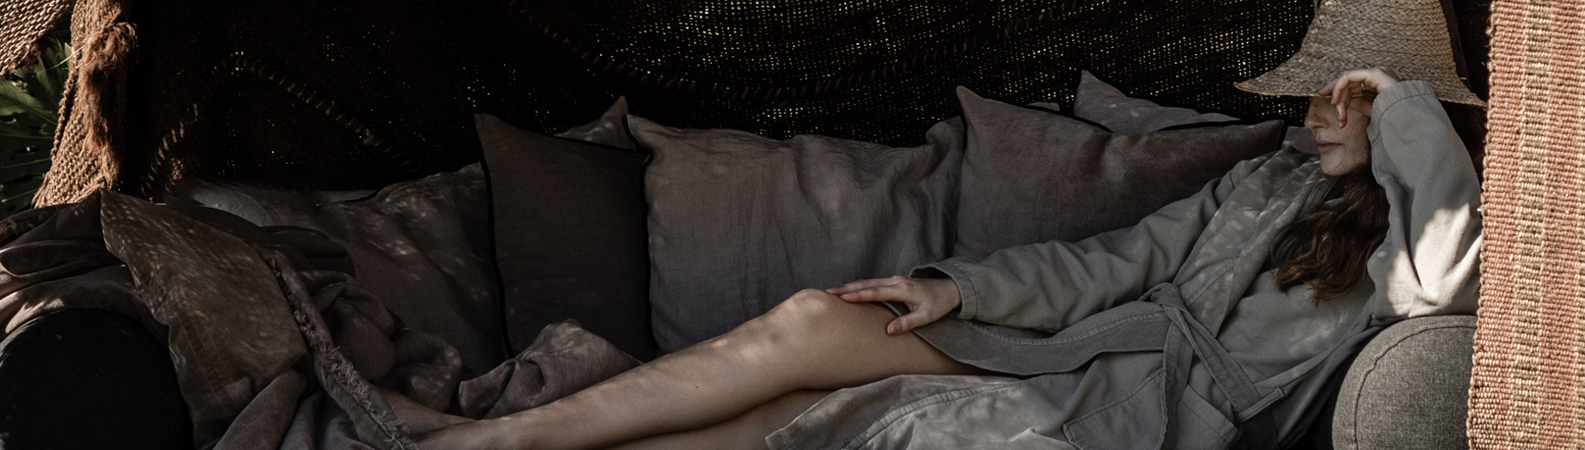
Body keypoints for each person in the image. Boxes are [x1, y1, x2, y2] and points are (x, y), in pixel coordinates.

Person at [407, 0, 1484, 447]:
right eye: (1321, 95)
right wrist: (959, 289)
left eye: (1343, 101)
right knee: (810, 324)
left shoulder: (1416, 238)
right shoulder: (1264, 179)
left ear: (1407, 120)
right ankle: (505, 439)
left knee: (825, 416)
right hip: (1075, 343)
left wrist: (1399, 106)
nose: (1315, 113)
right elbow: (1114, 263)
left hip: (1154, 416)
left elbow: (1442, 281)